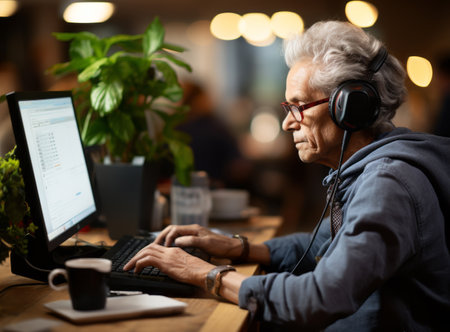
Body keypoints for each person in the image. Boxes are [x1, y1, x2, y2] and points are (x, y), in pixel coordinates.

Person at [124, 21, 450, 331]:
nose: (287, 123)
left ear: (350, 107)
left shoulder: (387, 184)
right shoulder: (372, 170)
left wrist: (203, 273)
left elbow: (318, 299)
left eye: (298, 106)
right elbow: (323, 242)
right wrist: (235, 246)